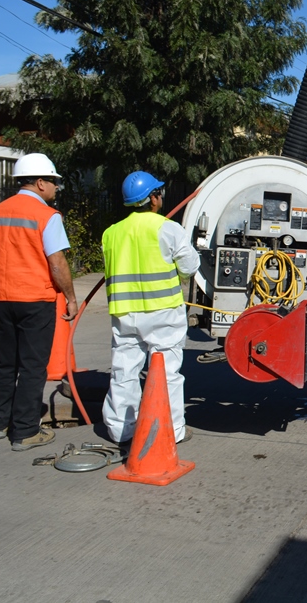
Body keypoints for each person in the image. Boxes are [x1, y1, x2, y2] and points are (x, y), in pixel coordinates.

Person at [0, 153, 78, 451]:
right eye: (53, 182)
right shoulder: (47, 216)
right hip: (35, 298)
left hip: (2, 297)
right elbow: (57, 262)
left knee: (6, 362)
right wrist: (70, 297)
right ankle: (24, 431)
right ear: (40, 183)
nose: (56, 188)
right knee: (33, 365)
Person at [101, 171, 199, 448]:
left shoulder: (111, 234)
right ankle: (172, 430)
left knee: (124, 372)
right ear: (153, 199)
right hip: (162, 312)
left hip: (125, 313)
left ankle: (122, 431)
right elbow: (189, 268)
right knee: (167, 374)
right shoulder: (167, 228)